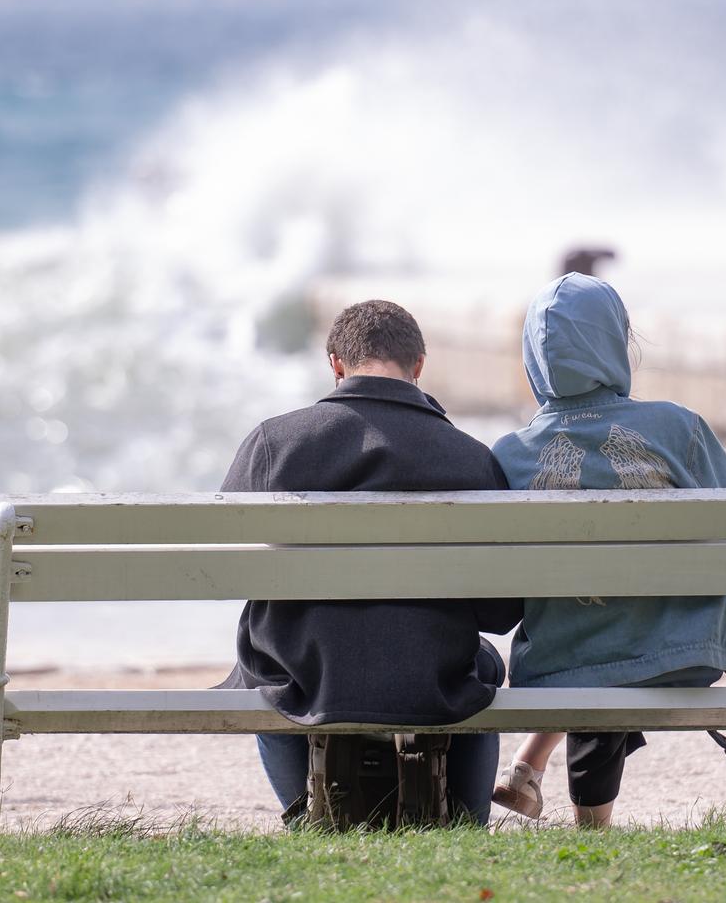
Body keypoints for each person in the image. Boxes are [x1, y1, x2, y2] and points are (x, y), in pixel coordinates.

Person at [487, 273, 726, 826]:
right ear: (617, 343)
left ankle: (551, 787)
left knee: (592, 645)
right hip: (684, 649)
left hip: (562, 663)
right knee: (627, 634)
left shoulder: (508, 454)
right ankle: (565, 800)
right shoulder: (676, 427)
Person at [217, 299, 521, 826]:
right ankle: (467, 818)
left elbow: (231, 569)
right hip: (431, 680)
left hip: (307, 678)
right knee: (485, 663)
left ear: (335, 363)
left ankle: (302, 813)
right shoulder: (471, 458)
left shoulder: (275, 443)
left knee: (257, 667)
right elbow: (499, 611)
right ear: (419, 365)